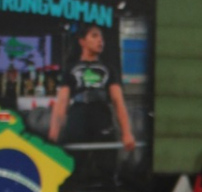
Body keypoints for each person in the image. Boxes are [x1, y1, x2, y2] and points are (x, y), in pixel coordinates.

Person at [48, 25, 136, 158]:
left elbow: (118, 102)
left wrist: (127, 133)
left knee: (105, 162)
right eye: (94, 36)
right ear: (82, 41)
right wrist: (53, 134)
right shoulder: (71, 69)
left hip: (101, 114)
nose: (100, 40)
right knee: (74, 161)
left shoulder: (109, 69)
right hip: (78, 115)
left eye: (101, 37)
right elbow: (62, 102)